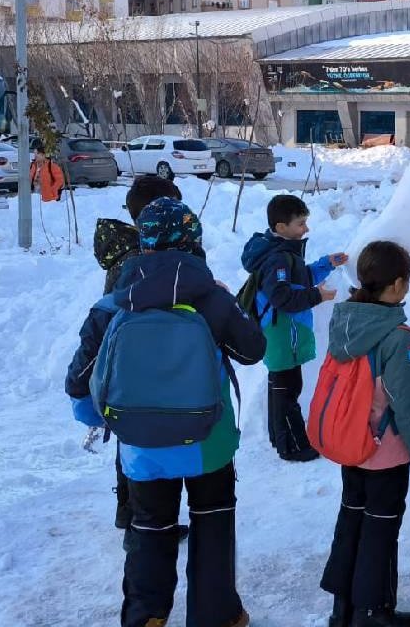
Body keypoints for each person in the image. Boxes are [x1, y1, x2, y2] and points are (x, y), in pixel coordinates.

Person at [65, 197, 265, 627]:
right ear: (193, 242)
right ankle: (218, 616)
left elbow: (78, 382)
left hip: (141, 445)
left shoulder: (112, 305)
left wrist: (96, 419)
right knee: (211, 523)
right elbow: (253, 350)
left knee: (150, 527)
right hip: (208, 439)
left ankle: (145, 617)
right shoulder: (209, 299)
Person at [320, 240, 410, 627]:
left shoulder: (345, 322)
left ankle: (344, 607)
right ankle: (372, 611)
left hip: (351, 444)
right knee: (381, 527)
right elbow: (407, 404)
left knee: (352, 519)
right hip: (384, 451)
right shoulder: (397, 335)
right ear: (398, 284)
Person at [91, 174, 184, 533]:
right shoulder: (138, 260)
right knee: (142, 441)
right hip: (140, 362)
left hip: (129, 364)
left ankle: (130, 510)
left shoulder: (131, 253)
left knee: (132, 438)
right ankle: (141, 518)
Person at [240, 194, 349, 462]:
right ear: (281, 228)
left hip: (282, 332)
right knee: (288, 389)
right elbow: (283, 298)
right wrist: (317, 296)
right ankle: (294, 447)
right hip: (282, 333)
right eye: (300, 224)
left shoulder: (282, 253)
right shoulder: (278, 258)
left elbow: (300, 277)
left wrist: (326, 264)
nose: (306, 229)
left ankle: (281, 438)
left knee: (281, 387)